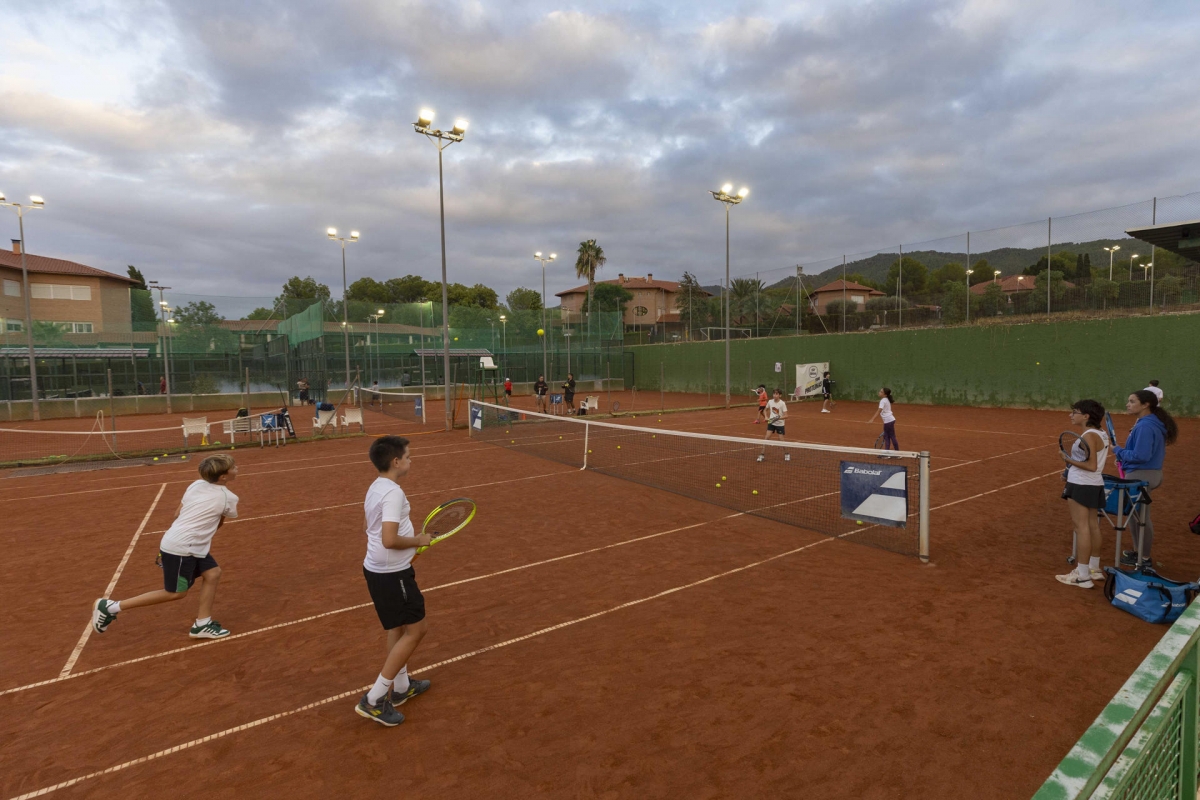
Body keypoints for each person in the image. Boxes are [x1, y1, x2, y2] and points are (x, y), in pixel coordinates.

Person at [91, 454, 239, 639]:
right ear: (223, 476)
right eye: (234, 467)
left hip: (182, 542)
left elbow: (177, 513)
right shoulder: (228, 498)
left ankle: (202, 624)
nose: (237, 469)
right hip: (184, 548)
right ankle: (111, 607)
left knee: (213, 573)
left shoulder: (196, 485)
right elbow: (219, 523)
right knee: (175, 593)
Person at [356, 436, 432, 727]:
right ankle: (374, 699)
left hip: (378, 570)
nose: (411, 460)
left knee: (396, 627)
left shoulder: (376, 486)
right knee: (417, 629)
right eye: (408, 456)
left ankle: (401, 687)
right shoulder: (394, 493)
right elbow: (389, 539)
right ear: (396, 462)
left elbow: (368, 526)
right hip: (392, 574)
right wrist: (418, 541)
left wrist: (409, 549)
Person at [1114, 390, 1178, 569]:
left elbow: (1141, 455)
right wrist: (1124, 458)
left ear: (1145, 405)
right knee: (1135, 517)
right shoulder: (1150, 423)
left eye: (1132, 401)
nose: (1127, 404)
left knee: (1141, 518)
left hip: (1142, 475)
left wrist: (1118, 451)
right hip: (1148, 473)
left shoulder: (1145, 426)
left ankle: (1144, 557)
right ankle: (1138, 552)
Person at [1055, 400, 1109, 589]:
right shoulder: (1101, 433)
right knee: (1093, 525)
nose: (1071, 415)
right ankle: (1094, 568)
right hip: (1093, 484)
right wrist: (1068, 470)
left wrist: (1067, 459)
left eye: (1074, 412)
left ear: (1086, 416)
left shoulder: (1090, 435)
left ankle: (1083, 575)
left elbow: (1091, 466)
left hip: (1081, 484)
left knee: (1081, 528)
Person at [757, 389, 790, 462]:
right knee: (766, 438)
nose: (775, 395)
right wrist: (766, 416)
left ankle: (787, 454)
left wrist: (777, 418)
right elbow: (765, 410)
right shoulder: (770, 402)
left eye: (776, 394)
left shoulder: (782, 403)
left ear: (780, 395)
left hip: (780, 424)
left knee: (781, 440)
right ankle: (762, 455)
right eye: (774, 394)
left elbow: (786, 415)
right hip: (771, 423)